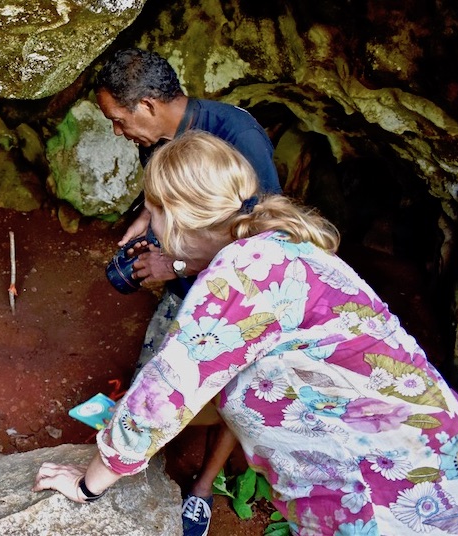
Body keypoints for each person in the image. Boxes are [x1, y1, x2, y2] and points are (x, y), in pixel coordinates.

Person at [34, 131, 458, 535]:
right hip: (437, 451)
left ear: (180, 216)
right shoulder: (279, 245)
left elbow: (164, 393)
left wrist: (89, 484)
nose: (152, 227)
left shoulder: (240, 277)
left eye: (153, 213)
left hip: (385, 486)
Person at [96, 47, 283, 535]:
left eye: (118, 120)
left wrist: (173, 261)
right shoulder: (158, 135)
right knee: (158, 378)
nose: (118, 131)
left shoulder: (238, 138)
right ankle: (139, 457)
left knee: (233, 387)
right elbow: (170, 192)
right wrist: (146, 221)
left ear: (148, 106)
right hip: (188, 279)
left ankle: (202, 487)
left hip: (241, 298)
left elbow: (259, 250)